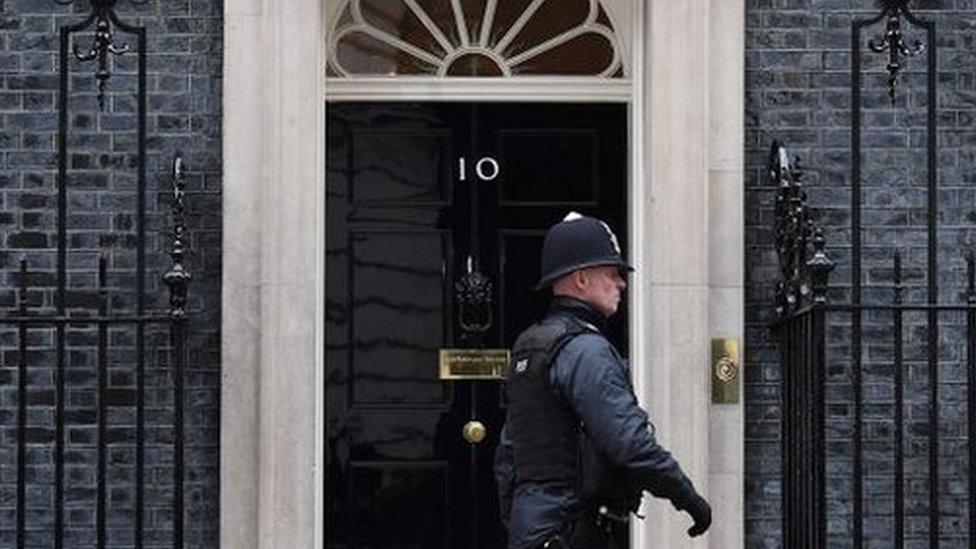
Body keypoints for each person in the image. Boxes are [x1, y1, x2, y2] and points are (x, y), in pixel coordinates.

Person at [494, 212, 712, 549]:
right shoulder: (586, 351)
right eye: (612, 274)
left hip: (535, 532)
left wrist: (522, 524)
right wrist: (688, 498)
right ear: (581, 279)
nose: (622, 284)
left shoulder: (530, 347)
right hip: (575, 530)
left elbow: (509, 454)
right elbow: (630, 443)